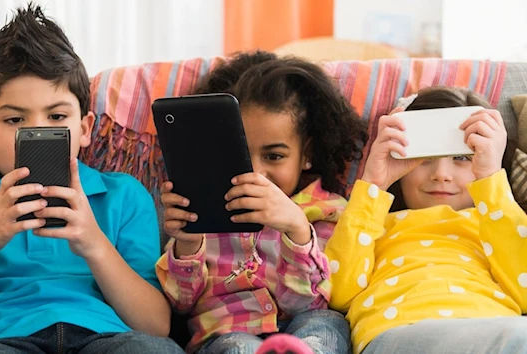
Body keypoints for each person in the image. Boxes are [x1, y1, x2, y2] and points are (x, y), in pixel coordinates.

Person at [0, 4, 184, 354]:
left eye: (57, 115)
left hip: (107, 339)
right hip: (2, 341)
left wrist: (93, 242)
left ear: (84, 130)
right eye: (15, 120)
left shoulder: (124, 197)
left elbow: (155, 326)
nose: (38, 131)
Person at [156, 50, 368, 354]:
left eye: (274, 156)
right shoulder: (202, 208)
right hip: (228, 330)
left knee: (326, 323)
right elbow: (180, 304)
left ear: (306, 154)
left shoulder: (328, 210)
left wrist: (297, 229)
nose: (255, 172)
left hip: (302, 328)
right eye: (238, 153)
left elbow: (312, 301)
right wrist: (188, 244)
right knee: (236, 345)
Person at [325, 86, 527, 354]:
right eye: (424, 158)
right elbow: (336, 294)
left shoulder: (499, 220)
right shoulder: (371, 221)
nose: (441, 174)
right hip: (399, 333)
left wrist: (491, 179)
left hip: (495, 329)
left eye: (461, 158)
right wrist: (374, 183)